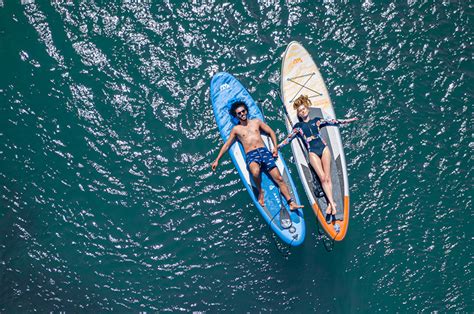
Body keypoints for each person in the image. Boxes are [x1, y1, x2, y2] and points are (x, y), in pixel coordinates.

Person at [211, 100, 303, 211]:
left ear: (246, 111)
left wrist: (275, 147)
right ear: (236, 116)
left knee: (279, 178)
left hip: (264, 151)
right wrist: (217, 159)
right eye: (239, 113)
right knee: (255, 172)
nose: (242, 114)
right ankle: (260, 191)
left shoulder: (256, 122)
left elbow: (271, 132)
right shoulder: (236, 129)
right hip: (251, 154)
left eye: (243, 111)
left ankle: (291, 202)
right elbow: (227, 145)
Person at [277, 95, 357, 222]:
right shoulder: (298, 126)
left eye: (304, 109)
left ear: (307, 109)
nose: (302, 111)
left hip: (324, 149)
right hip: (312, 152)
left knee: (328, 177)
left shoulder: (317, 121)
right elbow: (289, 138)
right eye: (300, 111)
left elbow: (334, 122)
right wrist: (277, 147)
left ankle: (332, 204)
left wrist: (349, 120)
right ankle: (332, 204)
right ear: (298, 114)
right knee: (322, 178)